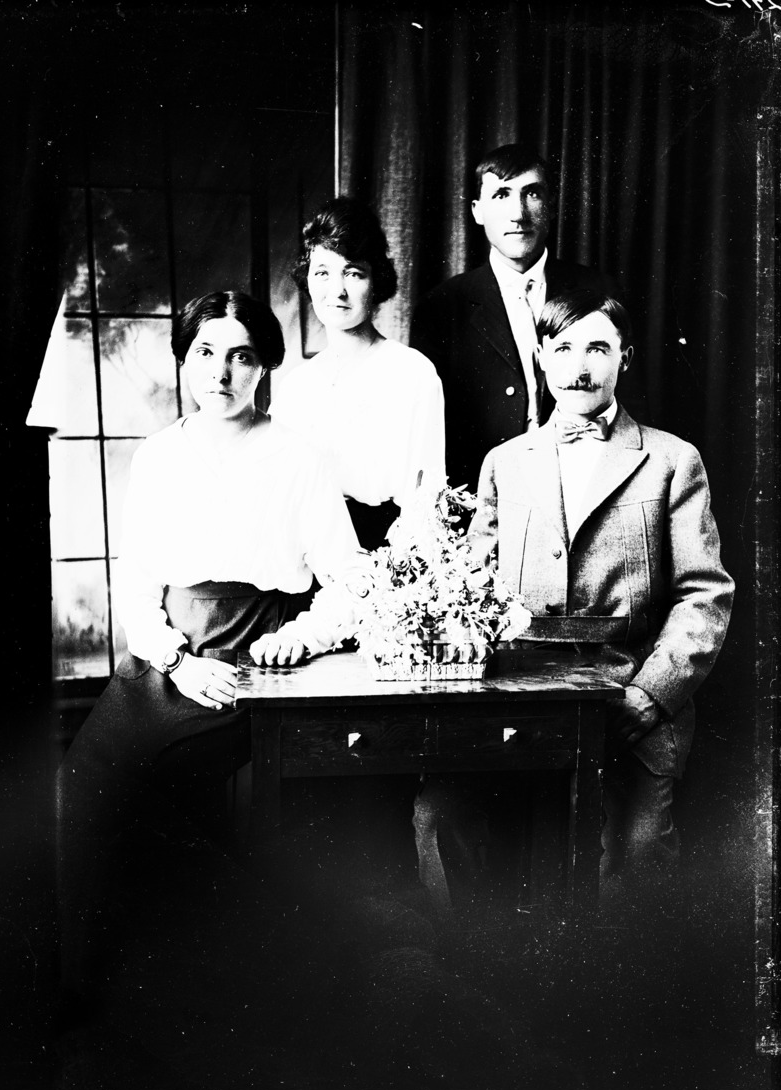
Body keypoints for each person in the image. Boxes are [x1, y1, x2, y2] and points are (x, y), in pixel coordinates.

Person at [56, 290, 366, 1023]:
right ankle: (98, 995)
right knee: (78, 789)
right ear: (185, 359)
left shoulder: (300, 457)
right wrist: (174, 659)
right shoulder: (160, 456)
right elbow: (138, 583)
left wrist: (297, 638)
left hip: (253, 656)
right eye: (205, 353)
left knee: (161, 792)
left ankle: (207, 991)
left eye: (241, 356)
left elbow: (350, 583)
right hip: (167, 658)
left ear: (265, 367)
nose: (220, 373)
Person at [414, 289, 734, 910]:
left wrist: (651, 694)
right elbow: (471, 586)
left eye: (598, 349)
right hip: (518, 690)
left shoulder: (672, 460)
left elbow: (705, 592)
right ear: (541, 357)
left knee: (635, 864)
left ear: (625, 358)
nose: (579, 367)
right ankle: (471, 965)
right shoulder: (505, 462)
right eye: (562, 349)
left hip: (628, 692)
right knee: (442, 818)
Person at [410, 143, 617, 494]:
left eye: (532, 193)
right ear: (477, 211)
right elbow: (429, 432)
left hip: (583, 489)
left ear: (550, 205)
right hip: (483, 499)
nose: (518, 213)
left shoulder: (599, 291)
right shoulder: (442, 307)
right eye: (501, 195)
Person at [273, 197, 445, 550]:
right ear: (307, 279)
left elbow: (425, 504)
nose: (337, 290)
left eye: (353, 273)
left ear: (375, 280)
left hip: (385, 553)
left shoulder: (412, 373)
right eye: (323, 272)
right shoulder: (295, 387)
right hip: (307, 553)